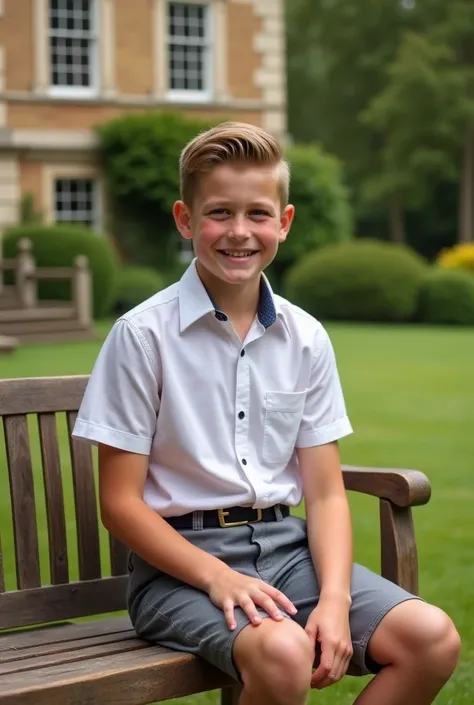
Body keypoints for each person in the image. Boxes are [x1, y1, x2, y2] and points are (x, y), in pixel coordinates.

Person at [73, 121, 460, 705]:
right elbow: (120, 503)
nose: (238, 232)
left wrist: (334, 599)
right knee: (282, 651)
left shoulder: (305, 338)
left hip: (289, 550)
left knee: (431, 638)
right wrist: (219, 577)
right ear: (185, 220)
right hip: (181, 569)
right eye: (219, 213)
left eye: (257, 214)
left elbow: (325, 493)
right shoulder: (143, 337)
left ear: (284, 222)